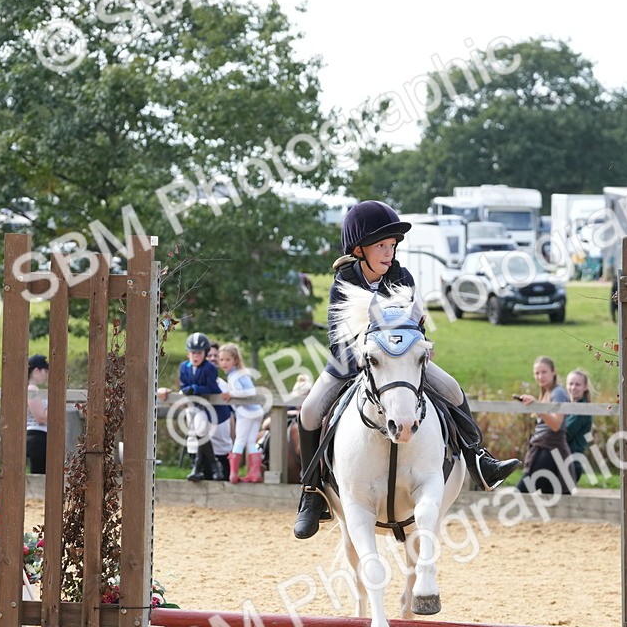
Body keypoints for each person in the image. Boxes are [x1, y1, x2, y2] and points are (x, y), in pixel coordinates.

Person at [292, 201, 520, 539]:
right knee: (309, 413)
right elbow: (338, 341)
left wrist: (420, 347)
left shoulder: (402, 277)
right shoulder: (344, 281)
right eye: (381, 246)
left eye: (392, 246)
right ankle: (311, 494)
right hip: (350, 365)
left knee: (454, 389)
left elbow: (416, 327)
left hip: (402, 365)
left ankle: (478, 460)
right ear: (359, 250)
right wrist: (369, 355)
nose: (388, 252)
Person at [158, 332, 231, 482]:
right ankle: (204, 466)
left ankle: (208, 465)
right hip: (196, 408)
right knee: (200, 430)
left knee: (201, 428)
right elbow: (183, 387)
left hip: (210, 410)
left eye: (199, 353)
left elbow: (211, 388)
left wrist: (195, 388)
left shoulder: (211, 370)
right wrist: (176, 391)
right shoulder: (184, 367)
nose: (195, 356)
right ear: (188, 353)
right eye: (192, 353)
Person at [515, 356, 571, 494]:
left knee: (520, 493)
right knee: (549, 497)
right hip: (544, 449)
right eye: (537, 373)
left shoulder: (558, 393)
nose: (540, 376)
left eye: (544, 372)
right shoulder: (547, 393)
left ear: (554, 372)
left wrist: (538, 407)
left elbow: (556, 425)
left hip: (551, 450)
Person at [218, 343, 265, 483]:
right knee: (251, 441)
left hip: (247, 412)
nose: (224, 363)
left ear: (235, 360)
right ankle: (255, 474)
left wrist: (231, 394)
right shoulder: (239, 374)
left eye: (227, 360)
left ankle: (233, 474)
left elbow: (250, 392)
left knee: (239, 440)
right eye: (221, 360)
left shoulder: (236, 375)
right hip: (256, 411)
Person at [205, 341, 234, 481]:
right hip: (203, 449)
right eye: (208, 355)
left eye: (215, 356)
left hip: (223, 449)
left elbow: (233, 417)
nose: (212, 358)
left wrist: (233, 444)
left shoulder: (226, 386)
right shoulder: (195, 382)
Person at [562, 368, 593, 485]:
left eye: (577, 384)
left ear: (585, 387)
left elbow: (564, 434)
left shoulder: (582, 409)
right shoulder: (567, 406)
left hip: (571, 466)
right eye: (570, 384)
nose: (573, 387)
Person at [26, 354, 49, 474]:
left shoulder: (33, 389)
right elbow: (40, 416)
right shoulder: (32, 389)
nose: (46, 375)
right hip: (37, 436)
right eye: (45, 371)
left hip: (39, 436)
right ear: (36, 371)